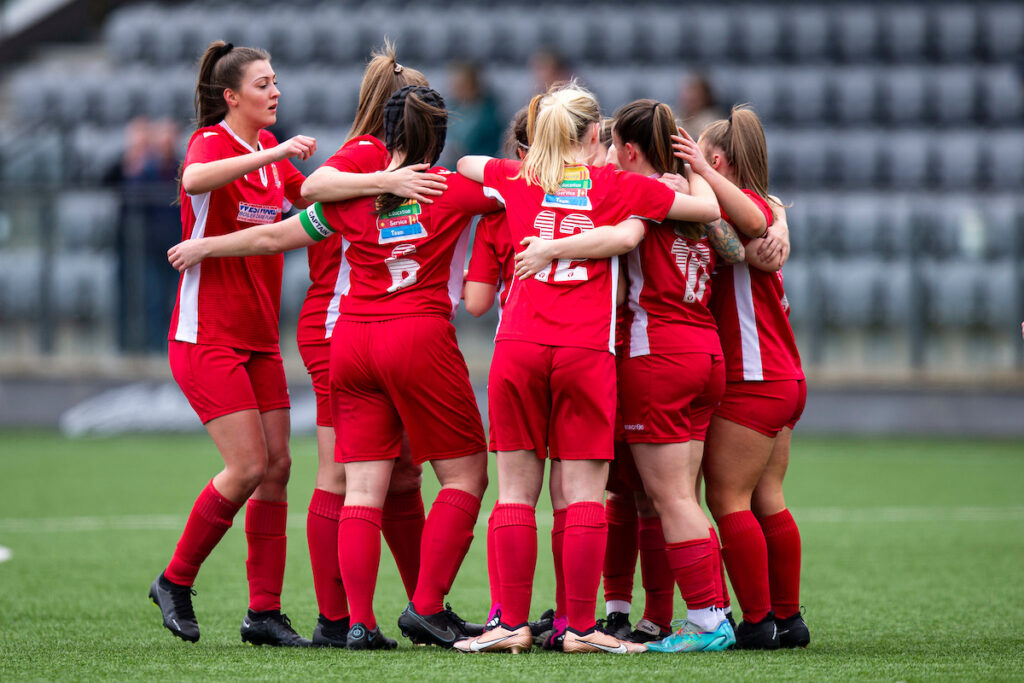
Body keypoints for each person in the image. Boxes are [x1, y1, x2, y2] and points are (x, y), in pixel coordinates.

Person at [169, 85, 499, 651]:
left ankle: (358, 624)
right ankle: (426, 606)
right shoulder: (452, 189)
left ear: (383, 137)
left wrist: (206, 247)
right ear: (438, 137)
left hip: (351, 340)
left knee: (362, 490)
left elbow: (278, 233)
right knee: (466, 476)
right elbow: (520, 190)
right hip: (418, 335)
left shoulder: (352, 197)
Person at [453, 81, 720, 654]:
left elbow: (466, 161)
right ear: (596, 134)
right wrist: (689, 171)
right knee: (580, 493)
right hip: (585, 351)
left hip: (519, 346)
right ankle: (579, 627)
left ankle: (507, 624)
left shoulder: (516, 177)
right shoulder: (620, 185)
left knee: (515, 494)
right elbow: (708, 211)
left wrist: (534, 173)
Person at [514, 99, 756, 653]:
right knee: (665, 496)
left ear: (627, 148)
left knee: (662, 497)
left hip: (655, 355)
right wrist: (700, 173)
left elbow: (621, 240)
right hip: (704, 353)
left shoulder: (639, 196)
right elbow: (739, 243)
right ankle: (655, 613)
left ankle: (708, 618)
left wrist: (550, 243)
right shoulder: (690, 196)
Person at [148, 40, 317, 647]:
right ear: (232, 96)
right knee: (246, 466)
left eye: (276, 82)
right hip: (205, 338)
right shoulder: (215, 145)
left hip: (257, 340)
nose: (276, 92)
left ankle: (263, 614)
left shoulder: (271, 150)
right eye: (264, 83)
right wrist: (263, 158)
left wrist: (377, 177)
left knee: (278, 469)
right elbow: (193, 176)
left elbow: (311, 199)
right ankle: (175, 580)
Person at [290, 42, 450, 648]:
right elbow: (313, 190)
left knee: (402, 476)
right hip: (342, 327)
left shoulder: (386, 160)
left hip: (365, 326)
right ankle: (337, 618)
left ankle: (422, 605)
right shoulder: (366, 153)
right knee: (341, 476)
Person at [677, 105, 808, 650]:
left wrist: (699, 177)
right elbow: (768, 215)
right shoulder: (763, 206)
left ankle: (757, 621)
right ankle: (788, 619)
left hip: (754, 377)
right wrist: (781, 222)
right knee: (766, 497)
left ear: (720, 160)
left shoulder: (741, 210)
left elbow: (749, 233)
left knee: (728, 499)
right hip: (783, 374)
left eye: (704, 159)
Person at [442, 61, 504, 165]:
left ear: (473, 84)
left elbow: (489, 151)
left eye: (461, 84)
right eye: (454, 84)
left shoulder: (489, 116)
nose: (456, 89)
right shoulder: (449, 110)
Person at [676, 73, 726, 140]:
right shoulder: (676, 117)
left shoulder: (712, 122)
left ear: (705, 96)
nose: (689, 95)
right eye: (687, 91)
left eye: (694, 93)